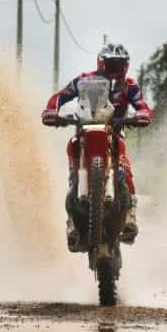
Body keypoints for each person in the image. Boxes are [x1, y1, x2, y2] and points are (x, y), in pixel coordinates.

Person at [41, 42, 153, 252]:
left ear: (125, 66)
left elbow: (142, 105)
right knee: (72, 148)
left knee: (125, 166)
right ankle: (72, 222)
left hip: (113, 132)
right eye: (110, 64)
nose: (113, 69)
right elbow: (60, 96)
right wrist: (51, 111)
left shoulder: (129, 85)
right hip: (85, 132)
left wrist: (143, 114)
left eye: (118, 65)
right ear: (101, 63)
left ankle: (130, 216)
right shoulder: (84, 80)